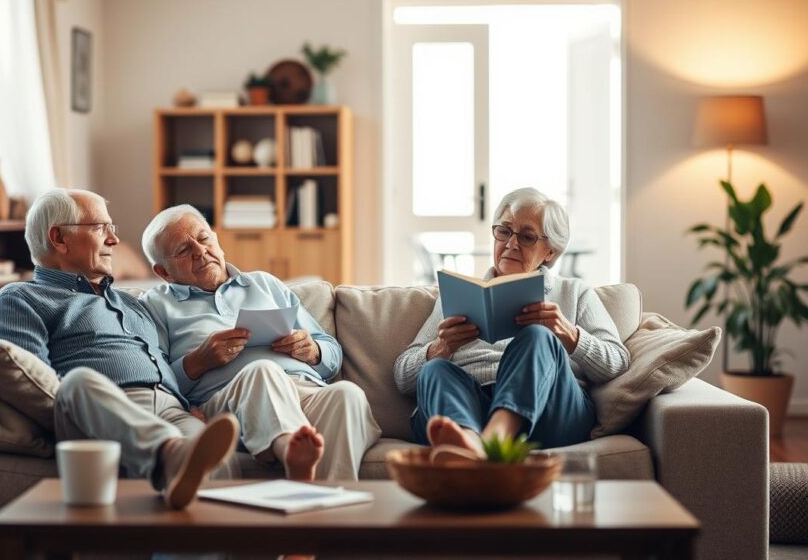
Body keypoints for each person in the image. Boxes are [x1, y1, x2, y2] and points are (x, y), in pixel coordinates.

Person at [0, 189, 239, 509]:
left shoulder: (132, 303)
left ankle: (178, 458)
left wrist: (189, 405)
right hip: (100, 409)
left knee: (216, 469)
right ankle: (170, 452)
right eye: (100, 228)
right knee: (77, 382)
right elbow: (31, 380)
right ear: (59, 238)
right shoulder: (20, 299)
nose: (114, 241)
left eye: (112, 229)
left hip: (172, 408)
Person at [140, 205, 381, 481]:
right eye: (183, 250)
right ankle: (288, 447)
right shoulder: (156, 305)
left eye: (204, 238)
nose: (200, 251)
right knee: (263, 371)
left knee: (347, 394)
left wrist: (312, 351)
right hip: (229, 404)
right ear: (163, 272)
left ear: (217, 240)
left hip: (303, 390)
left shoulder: (265, 284)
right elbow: (155, 381)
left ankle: (322, 509)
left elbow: (331, 352)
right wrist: (199, 361)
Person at [394, 187, 629, 458]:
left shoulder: (575, 293)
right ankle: (468, 444)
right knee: (435, 369)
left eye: (527, 237)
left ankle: (492, 440)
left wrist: (570, 335)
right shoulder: (457, 295)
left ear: (550, 251)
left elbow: (617, 363)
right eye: (504, 231)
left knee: (538, 337)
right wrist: (439, 348)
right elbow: (402, 377)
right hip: (468, 411)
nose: (511, 244)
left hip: (549, 413)